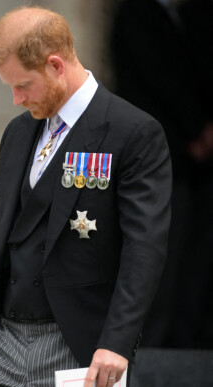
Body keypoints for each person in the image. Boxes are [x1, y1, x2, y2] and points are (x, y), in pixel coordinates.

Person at [0, 6, 172, 387]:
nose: (16, 99)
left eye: (22, 85)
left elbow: (145, 247)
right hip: (3, 339)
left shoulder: (133, 132)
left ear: (56, 65)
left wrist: (117, 343)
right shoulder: (18, 133)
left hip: (78, 345)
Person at [112, 0, 213, 348]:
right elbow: (156, 76)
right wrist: (197, 128)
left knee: (185, 259)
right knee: (153, 256)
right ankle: (147, 345)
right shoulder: (138, 13)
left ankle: (174, 341)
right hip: (157, 156)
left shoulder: (190, 16)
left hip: (190, 164)